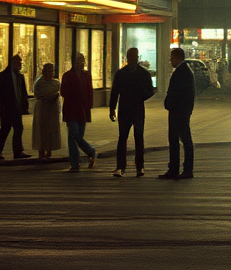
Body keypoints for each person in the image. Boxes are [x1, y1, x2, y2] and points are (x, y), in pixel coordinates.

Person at [109, 47, 155, 177]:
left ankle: (139, 166)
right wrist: (112, 108)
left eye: (135, 56)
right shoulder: (122, 73)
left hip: (136, 108)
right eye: (132, 56)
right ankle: (121, 166)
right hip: (125, 108)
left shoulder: (142, 73)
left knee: (138, 137)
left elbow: (150, 91)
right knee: (123, 137)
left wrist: (141, 96)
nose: (133, 58)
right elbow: (114, 92)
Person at [159, 47, 195, 180]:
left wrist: (172, 105)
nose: (170, 61)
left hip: (179, 112)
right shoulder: (183, 71)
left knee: (184, 140)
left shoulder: (183, 72)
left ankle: (186, 169)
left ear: (177, 58)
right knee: (175, 140)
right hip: (178, 111)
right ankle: (174, 168)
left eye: (172, 58)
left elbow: (182, 94)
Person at [61, 52, 98, 172]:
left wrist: (89, 105)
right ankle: (86, 155)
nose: (81, 63)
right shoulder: (67, 76)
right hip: (71, 109)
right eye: (78, 60)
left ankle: (77, 161)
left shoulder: (86, 75)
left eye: (83, 60)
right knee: (73, 135)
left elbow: (89, 91)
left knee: (77, 136)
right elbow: (63, 92)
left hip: (83, 109)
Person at [0, 54, 31, 160]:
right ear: (11, 63)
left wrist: (24, 105)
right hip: (6, 108)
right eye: (15, 63)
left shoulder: (20, 76)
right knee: (6, 128)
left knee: (18, 128)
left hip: (16, 108)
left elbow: (23, 92)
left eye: (19, 63)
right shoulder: (3, 76)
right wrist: (1, 106)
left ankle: (18, 151)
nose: (18, 65)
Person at [31, 62, 62, 161]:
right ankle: (41, 151)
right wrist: (48, 97)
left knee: (51, 129)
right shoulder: (39, 83)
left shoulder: (56, 83)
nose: (50, 73)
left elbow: (59, 92)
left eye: (51, 71)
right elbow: (38, 94)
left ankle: (49, 150)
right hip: (42, 108)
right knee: (41, 129)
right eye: (48, 71)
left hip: (52, 109)